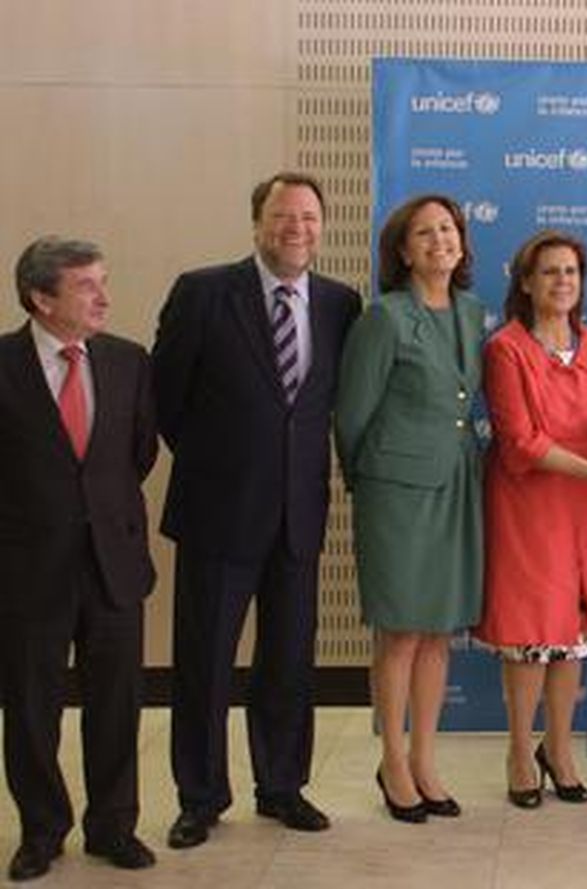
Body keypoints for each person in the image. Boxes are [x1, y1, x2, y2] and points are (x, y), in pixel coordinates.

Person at [153, 172, 361, 848]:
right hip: (218, 512)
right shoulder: (204, 291)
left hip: (299, 515)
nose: (295, 228)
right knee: (206, 660)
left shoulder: (339, 304)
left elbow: (322, 405)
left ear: (322, 226)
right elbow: (167, 401)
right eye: (281, 216)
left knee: (289, 661)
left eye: (307, 216)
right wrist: (226, 465)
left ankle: (282, 785)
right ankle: (201, 795)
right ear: (257, 223)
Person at [1, 238, 158, 880]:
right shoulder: (3, 365)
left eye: (103, 280)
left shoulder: (127, 361)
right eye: (86, 286)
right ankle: (42, 831)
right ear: (41, 298)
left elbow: (137, 455)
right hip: (28, 569)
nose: (104, 297)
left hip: (113, 563)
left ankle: (113, 826)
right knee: (32, 708)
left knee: (117, 703)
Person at [476, 230, 587, 808]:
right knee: (531, 637)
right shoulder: (507, 348)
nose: (562, 282)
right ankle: (520, 753)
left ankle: (561, 749)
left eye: (571, 271)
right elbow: (520, 442)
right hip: (531, 505)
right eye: (549, 272)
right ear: (526, 282)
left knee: (574, 637)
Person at [334, 195, 486, 823]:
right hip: (394, 493)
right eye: (424, 233)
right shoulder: (384, 317)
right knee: (400, 631)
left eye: (447, 229)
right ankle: (392, 761)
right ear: (402, 250)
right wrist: (372, 487)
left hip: (455, 483)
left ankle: (425, 760)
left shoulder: (473, 312)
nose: (439, 241)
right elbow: (352, 417)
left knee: (438, 630)